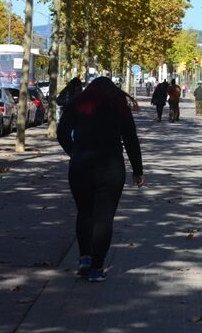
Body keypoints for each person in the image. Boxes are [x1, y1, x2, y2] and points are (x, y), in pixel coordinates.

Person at [57, 77, 144, 282]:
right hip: (111, 168)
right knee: (103, 219)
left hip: (81, 167)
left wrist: (74, 153)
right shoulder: (119, 106)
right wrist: (137, 170)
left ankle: (84, 258)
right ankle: (97, 268)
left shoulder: (77, 103)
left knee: (84, 213)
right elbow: (131, 139)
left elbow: (62, 133)